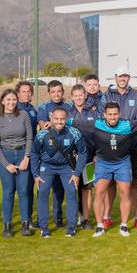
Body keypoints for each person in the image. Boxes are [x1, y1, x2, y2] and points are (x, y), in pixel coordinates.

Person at [84, 102, 137, 237]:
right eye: (110, 114)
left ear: (119, 114)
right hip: (103, 163)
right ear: (105, 115)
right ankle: (100, 225)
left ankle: (124, 225)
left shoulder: (127, 125)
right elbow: (76, 122)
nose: (112, 117)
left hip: (122, 163)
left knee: (125, 192)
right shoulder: (97, 124)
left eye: (115, 114)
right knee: (99, 192)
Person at [31, 107, 87, 238]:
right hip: (47, 166)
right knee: (43, 191)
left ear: (66, 119)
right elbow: (34, 153)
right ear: (51, 119)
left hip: (66, 167)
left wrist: (77, 173)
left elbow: (83, 153)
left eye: (62, 119)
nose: (59, 121)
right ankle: (44, 228)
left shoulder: (74, 133)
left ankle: (71, 227)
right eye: (56, 119)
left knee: (72, 191)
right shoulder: (42, 134)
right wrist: (36, 175)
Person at [99, 68, 137, 228]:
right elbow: (103, 119)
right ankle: (106, 216)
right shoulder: (106, 96)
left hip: (131, 144)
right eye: (120, 76)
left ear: (129, 77)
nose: (123, 78)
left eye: (125, 76)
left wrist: (122, 128)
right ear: (115, 77)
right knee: (109, 183)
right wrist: (120, 127)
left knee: (132, 183)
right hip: (109, 144)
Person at [0, 89, 34, 237]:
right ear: (2, 101)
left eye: (14, 99)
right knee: (8, 192)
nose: (11, 102)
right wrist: (6, 164)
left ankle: (25, 224)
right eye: (8, 100)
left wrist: (27, 157)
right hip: (6, 156)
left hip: (22, 154)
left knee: (23, 191)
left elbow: (30, 138)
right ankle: (7, 225)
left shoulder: (23, 115)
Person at [37, 80, 73, 228]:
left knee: (60, 189)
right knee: (43, 188)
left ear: (63, 91)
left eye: (59, 91)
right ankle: (41, 220)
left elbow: (71, 124)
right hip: (48, 154)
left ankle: (58, 218)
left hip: (65, 154)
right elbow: (42, 125)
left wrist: (54, 123)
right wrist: (49, 124)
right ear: (49, 93)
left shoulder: (69, 106)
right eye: (53, 91)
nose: (56, 94)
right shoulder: (44, 107)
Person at [66, 84, 102, 230]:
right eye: (76, 95)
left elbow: (99, 135)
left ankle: (86, 219)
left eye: (81, 95)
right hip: (72, 159)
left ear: (85, 95)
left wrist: (97, 155)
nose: (79, 98)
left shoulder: (94, 113)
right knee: (72, 188)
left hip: (90, 159)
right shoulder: (68, 113)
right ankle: (73, 219)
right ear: (72, 97)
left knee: (87, 189)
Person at [15, 81, 40, 228]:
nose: (27, 94)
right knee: (21, 188)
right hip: (20, 151)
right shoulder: (15, 108)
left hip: (33, 152)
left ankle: (29, 218)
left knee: (31, 186)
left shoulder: (33, 109)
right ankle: (19, 219)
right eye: (23, 92)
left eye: (29, 91)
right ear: (18, 94)